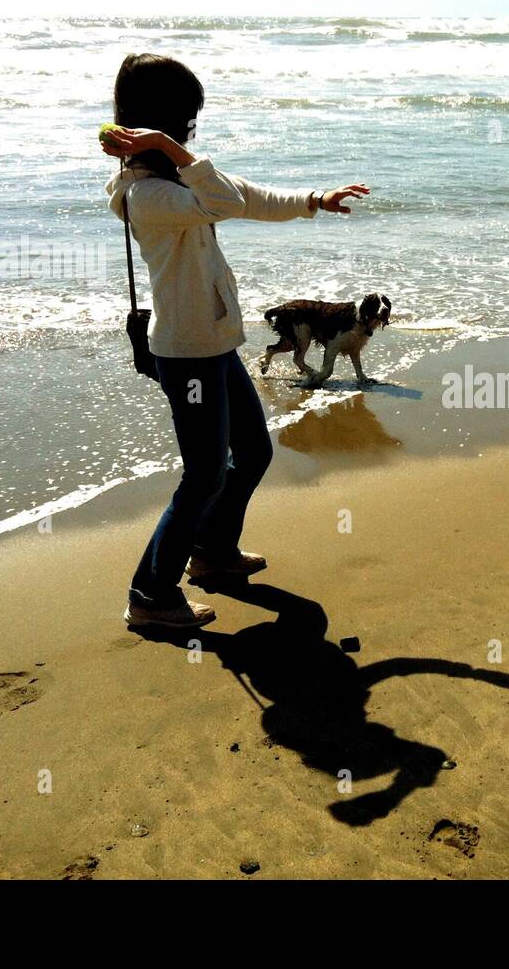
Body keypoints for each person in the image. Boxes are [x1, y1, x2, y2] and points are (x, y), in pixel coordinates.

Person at [102, 53, 368, 630]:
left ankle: (214, 554)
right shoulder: (145, 193)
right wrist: (173, 151)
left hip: (214, 345)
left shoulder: (179, 182)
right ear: (159, 120)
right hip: (188, 353)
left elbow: (242, 195)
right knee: (203, 475)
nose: (193, 129)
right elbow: (221, 201)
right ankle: (150, 594)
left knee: (252, 453)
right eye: (186, 120)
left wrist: (312, 201)